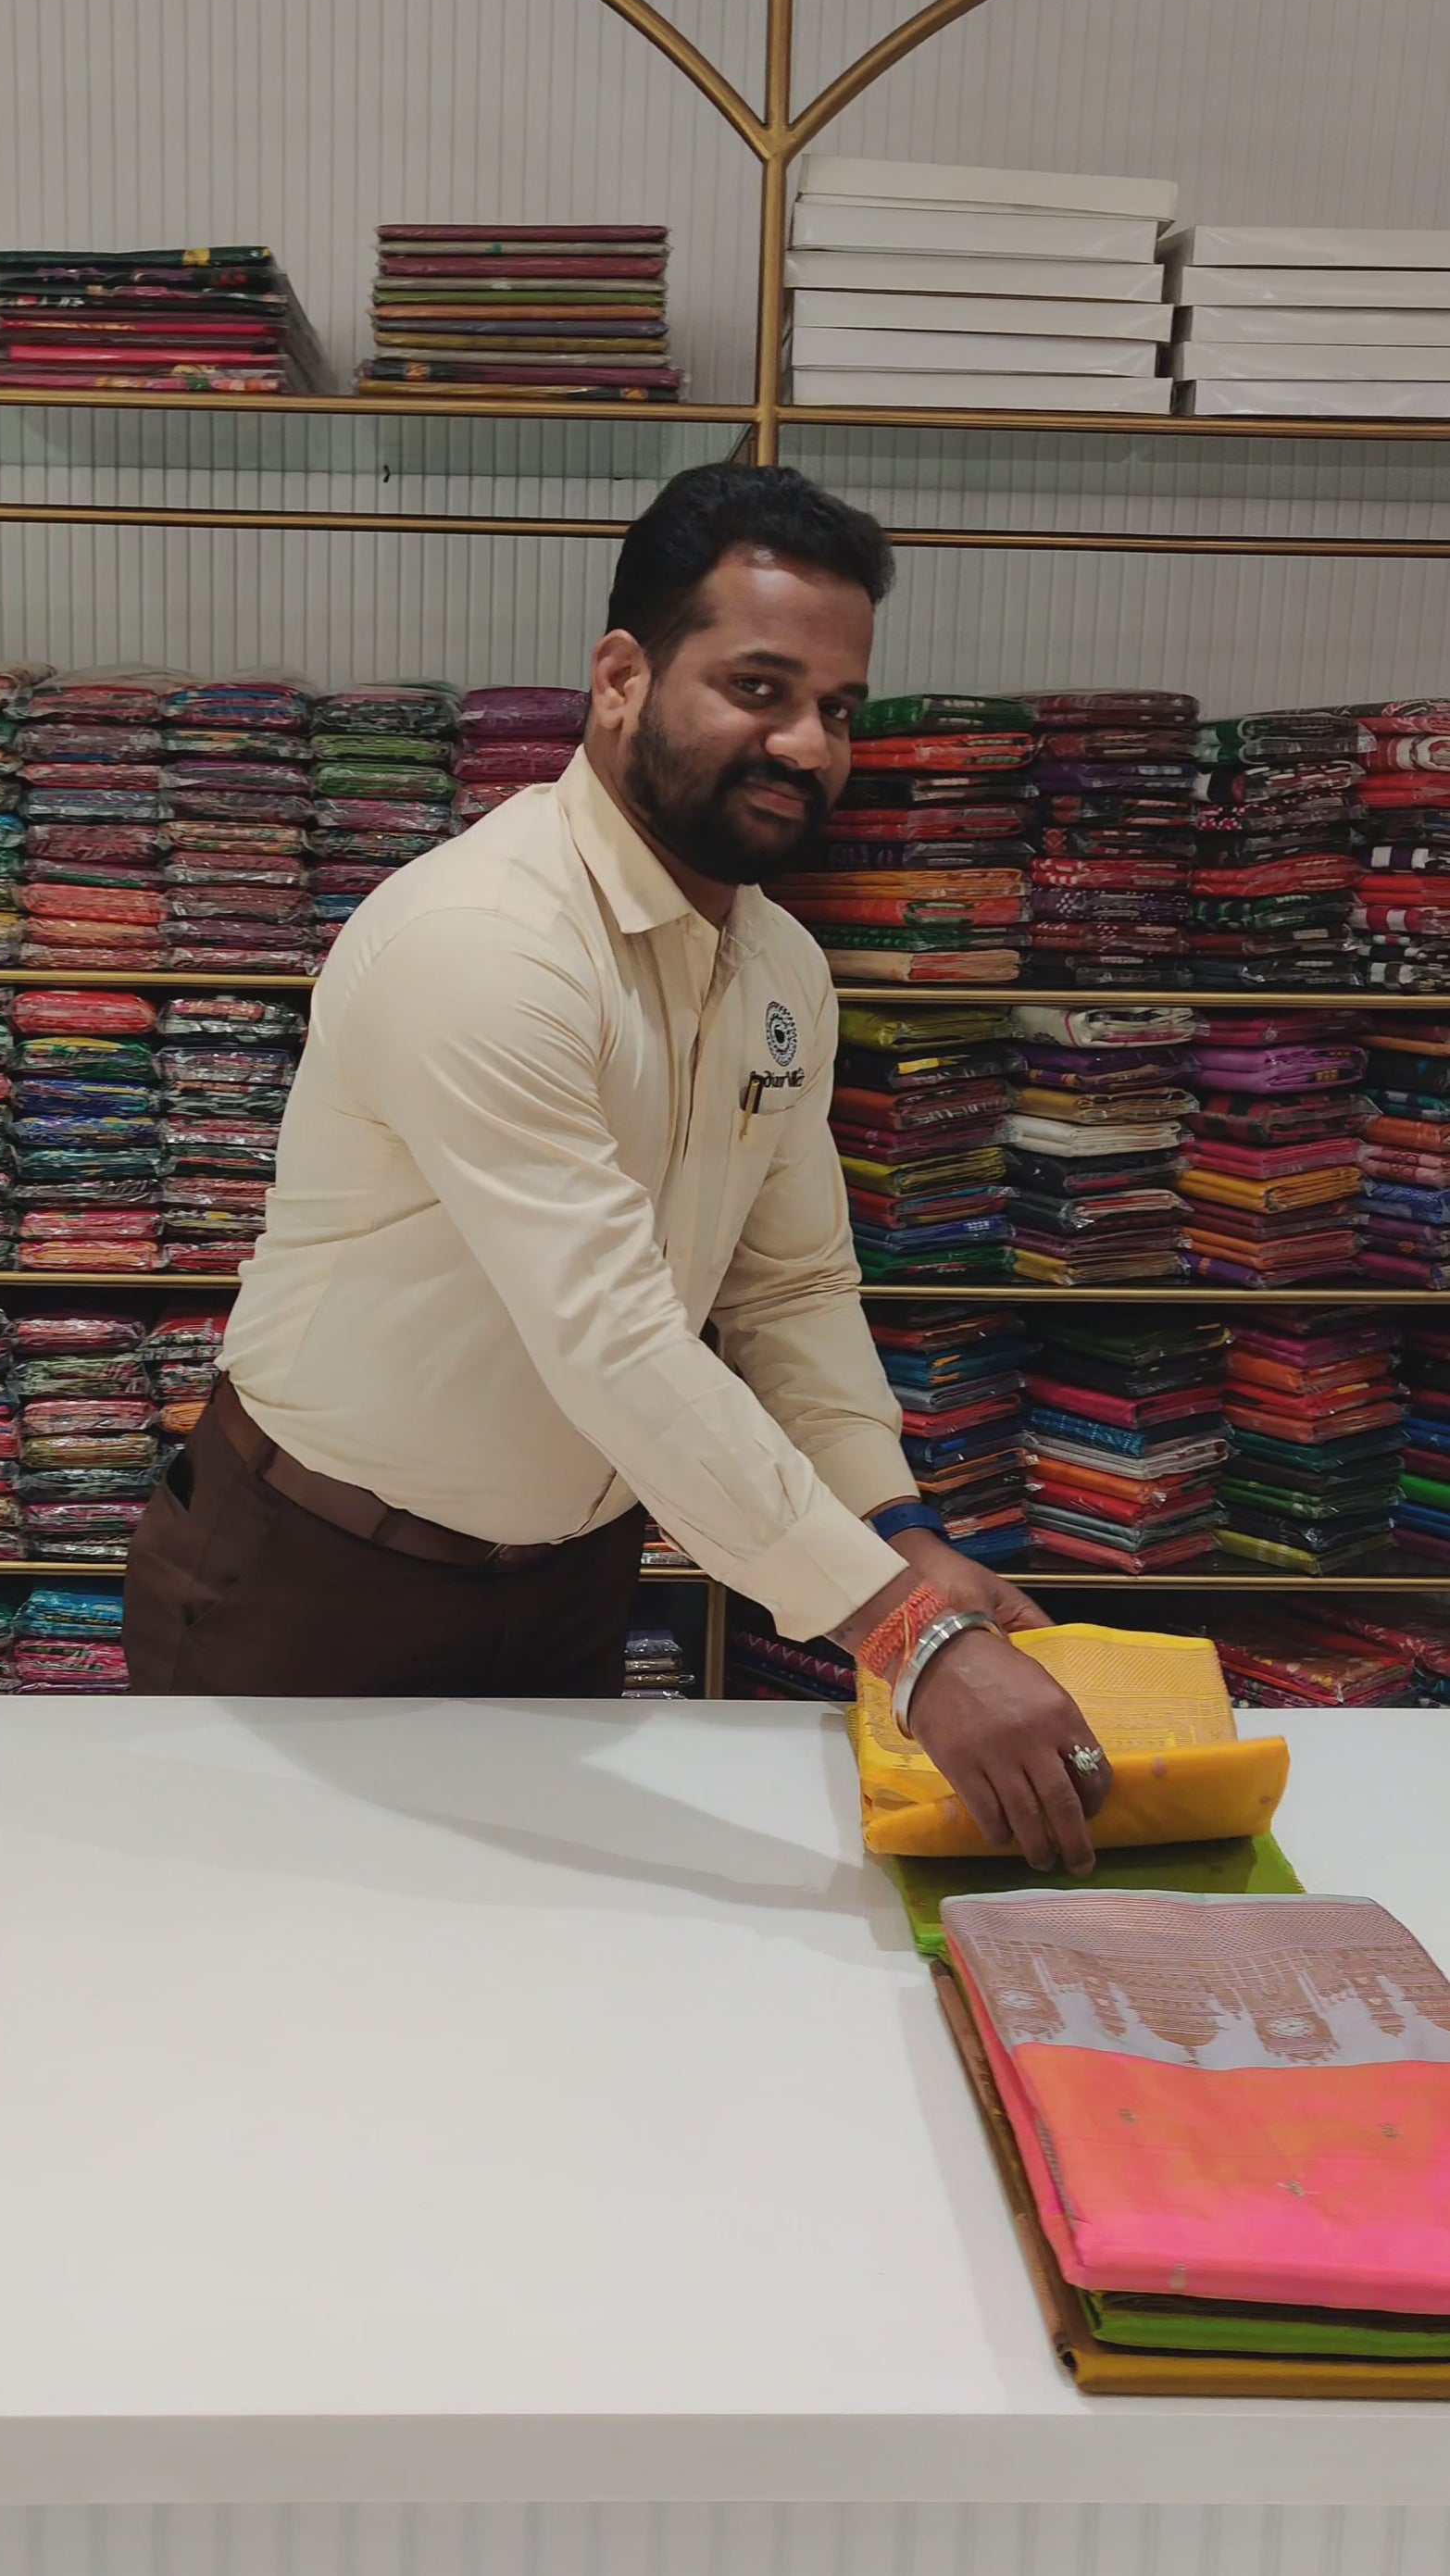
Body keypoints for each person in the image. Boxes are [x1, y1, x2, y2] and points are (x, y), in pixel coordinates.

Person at [125, 462, 1109, 1872]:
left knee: (527, 2025)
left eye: (838, 709)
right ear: (620, 679)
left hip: (570, 1584)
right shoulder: (489, 940)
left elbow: (788, 1288)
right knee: (280, 2021)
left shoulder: (778, 965)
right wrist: (909, 1636)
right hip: (312, 1585)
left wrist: (894, 1528)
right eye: (759, 689)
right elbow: (612, 1340)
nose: (808, 746)